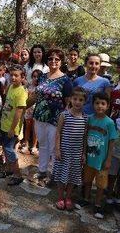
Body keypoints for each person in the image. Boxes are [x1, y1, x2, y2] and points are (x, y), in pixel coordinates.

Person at [31, 48, 73, 186]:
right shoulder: (42, 76)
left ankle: (54, 175)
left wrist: (64, 120)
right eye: (50, 58)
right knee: (42, 145)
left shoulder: (65, 80)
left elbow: (68, 103)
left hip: (56, 119)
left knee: (54, 148)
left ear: (61, 62)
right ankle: (42, 170)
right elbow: (36, 95)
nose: (53, 61)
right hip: (39, 116)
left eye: (57, 59)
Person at [76, 92, 118, 219]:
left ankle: (98, 204)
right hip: (89, 158)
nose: (100, 106)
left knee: (100, 185)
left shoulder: (109, 123)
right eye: (97, 103)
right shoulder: (89, 119)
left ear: (108, 106)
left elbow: (112, 142)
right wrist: (83, 153)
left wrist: (109, 159)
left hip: (102, 160)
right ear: (93, 104)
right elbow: (84, 137)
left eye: (103, 104)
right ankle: (86, 198)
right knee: (87, 180)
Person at [53, 87, 88, 211]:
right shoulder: (65, 115)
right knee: (62, 175)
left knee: (73, 176)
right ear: (70, 100)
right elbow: (58, 133)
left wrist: (83, 153)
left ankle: (68, 197)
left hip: (76, 153)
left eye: (81, 100)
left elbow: (84, 137)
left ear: (84, 102)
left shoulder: (85, 118)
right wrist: (57, 149)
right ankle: (60, 197)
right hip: (64, 152)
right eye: (75, 99)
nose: (77, 102)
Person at [0, 65, 28, 186]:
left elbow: (19, 113)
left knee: (10, 150)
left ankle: (17, 175)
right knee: (5, 148)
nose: (13, 77)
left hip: (12, 127)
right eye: (11, 75)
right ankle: (9, 169)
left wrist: (12, 129)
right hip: (4, 124)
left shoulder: (21, 92)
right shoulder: (10, 87)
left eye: (16, 75)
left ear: (22, 77)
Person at [20, 68, 42, 155]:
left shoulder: (41, 87)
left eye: (38, 77)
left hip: (37, 110)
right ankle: (26, 144)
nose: (36, 78)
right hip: (28, 109)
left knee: (35, 129)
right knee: (27, 127)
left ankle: (34, 146)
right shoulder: (29, 86)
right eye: (34, 76)